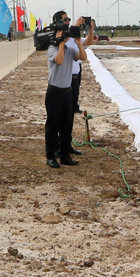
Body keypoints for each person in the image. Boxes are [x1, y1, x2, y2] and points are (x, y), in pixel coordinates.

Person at [44, 12, 85, 168]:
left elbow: (83, 57)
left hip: (67, 91)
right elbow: (59, 61)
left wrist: (79, 43)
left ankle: (65, 155)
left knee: (66, 125)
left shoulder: (69, 49)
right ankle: (51, 156)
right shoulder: (52, 49)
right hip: (54, 91)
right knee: (53, 125)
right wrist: (60, 43)